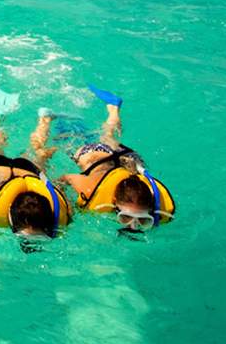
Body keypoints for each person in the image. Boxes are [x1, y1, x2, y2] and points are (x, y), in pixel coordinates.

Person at [58, 85, 175, 234]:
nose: (133, 227)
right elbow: (65, 178)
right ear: (114, 201)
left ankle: (114, 109)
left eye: (143, 220)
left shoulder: (157, 207)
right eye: (125, 217)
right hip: (95, 155)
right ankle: (110, 110)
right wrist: (67, 204)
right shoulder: (89, 188)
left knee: (109, 138)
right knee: (69, 144)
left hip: (129, 158)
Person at [0, 105, 72, 243]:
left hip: (25, 170)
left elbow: (59, 187)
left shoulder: (64, 211)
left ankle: (45, 118)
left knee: (39, 152)